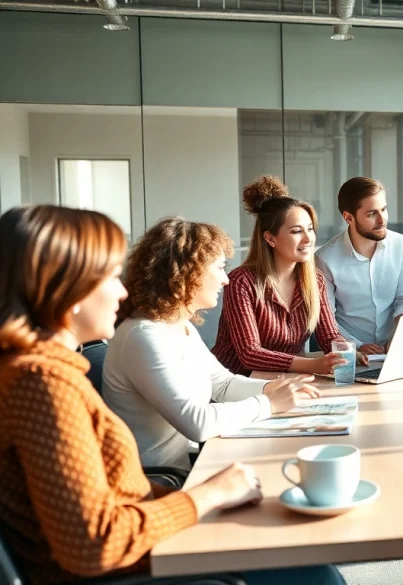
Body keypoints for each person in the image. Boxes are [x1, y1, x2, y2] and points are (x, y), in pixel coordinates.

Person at [0, 205, 343, 585]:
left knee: (298, 549)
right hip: (136, 562)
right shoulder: (42, 384)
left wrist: (211, 494)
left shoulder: (54, 373)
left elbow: (110, 494)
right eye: (111, 276)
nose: (122, 289)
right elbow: (95, 542)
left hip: (150, 526)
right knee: (312, 571)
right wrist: (208, 497)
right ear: (67, 288)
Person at [104, 217, 322, 469]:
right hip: (156, 481)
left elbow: (223, 384)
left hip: (184, 467)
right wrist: (269, 403)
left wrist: (273, 389)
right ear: (188, 272)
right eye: (219, 268)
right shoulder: (143, 335)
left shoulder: (178, 325)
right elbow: (197, 424)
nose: (225, 279)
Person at [212, 175, 365, 376]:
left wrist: (348, 352)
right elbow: (250, 353)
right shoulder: (242, 282)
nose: (308, 238)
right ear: (270, 238)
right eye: (296, 231)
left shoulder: (314, 280)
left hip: (283, 382)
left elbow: (329, 336)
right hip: (232, 386)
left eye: (310, 229)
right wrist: (312, 365)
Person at [315, 177, 403, 354]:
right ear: (348, 217)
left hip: (394, 348)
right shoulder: (325, 259)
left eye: (383, 210)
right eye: (371, 214)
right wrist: (357, 346)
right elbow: (327, 318)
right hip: (349, 351)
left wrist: (399, 337)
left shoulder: (400, 244)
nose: (382, 220)